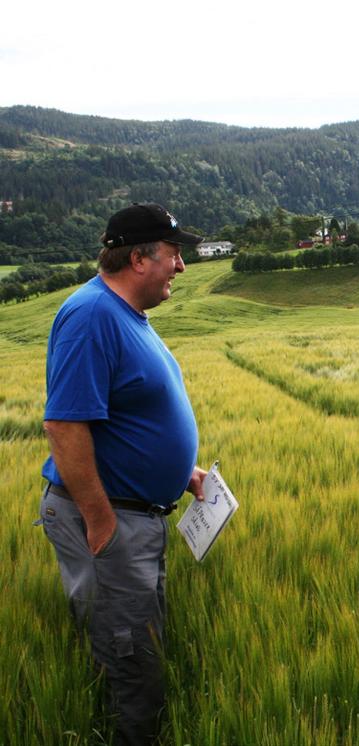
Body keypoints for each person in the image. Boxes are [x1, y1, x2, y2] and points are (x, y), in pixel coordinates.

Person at [37, 202, 206, 744]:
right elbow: (64, 425)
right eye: (174, 256)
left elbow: (125, 412)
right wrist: (100, 522)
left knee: (138, 643)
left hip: (136, 516)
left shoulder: (126, 315)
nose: (181, 267)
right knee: (131, 654)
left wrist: (180, 472)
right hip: (114, 522)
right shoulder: (91, 317)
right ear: (139, 258)